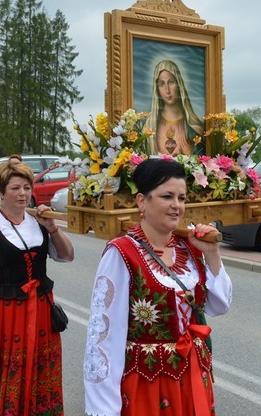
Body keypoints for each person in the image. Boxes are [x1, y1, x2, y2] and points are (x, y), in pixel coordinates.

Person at [83, 158, 232, 416]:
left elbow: (219, 305)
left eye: (182, 198)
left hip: (193, 378)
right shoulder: (122, 253)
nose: (177, 206)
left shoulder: (190, 248)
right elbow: (103, 336)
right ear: (142, 201)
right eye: (167, 196)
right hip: (146, 384)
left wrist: (213, 254)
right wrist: (104, 409)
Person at [0, 161, 75, 415]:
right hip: (4, 314)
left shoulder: (39, 221)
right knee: (7, 371)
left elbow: (67, 256)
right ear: (1, 192)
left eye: (26, 187)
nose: (23, 193)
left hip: (42, 311)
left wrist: (52, 228)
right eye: (15, 188)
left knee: (40, 369)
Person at [143, 60, 204, 155]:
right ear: (157, 88)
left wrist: (190, 154)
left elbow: (203, 158)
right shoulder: (150, 125)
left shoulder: (193, 126)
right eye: (161, 84)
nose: (167, 90)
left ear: (179, 84)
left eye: (171, 82)